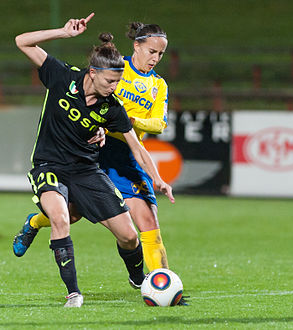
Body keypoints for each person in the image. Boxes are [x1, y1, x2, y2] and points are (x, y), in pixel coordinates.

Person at [14, 13, 175, 307]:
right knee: (65, 217)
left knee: (130, 235)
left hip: (96, 166)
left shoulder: (123, 102)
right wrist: (63, 33)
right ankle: (73, 293)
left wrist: (158, 178)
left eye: (160, 53)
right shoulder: (69, 75)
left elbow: (144, 139)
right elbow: (22, 42)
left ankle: (147, 281)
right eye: (152, 51)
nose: (116, 87)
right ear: (93, 73)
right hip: (59, 164)